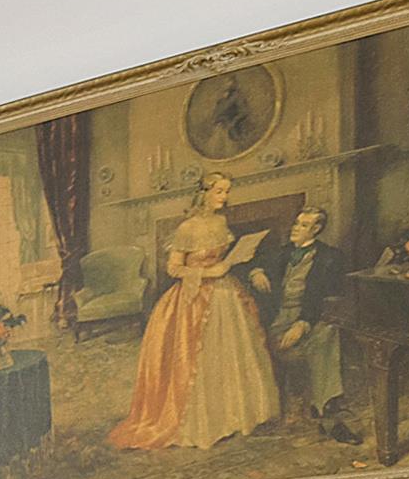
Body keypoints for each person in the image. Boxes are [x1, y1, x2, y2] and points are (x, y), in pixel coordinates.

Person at [109, 172, 284, 451]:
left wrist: (233, 261)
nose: (224, 197)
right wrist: (208, 272)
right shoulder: (187, 228)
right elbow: (174, 268)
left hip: (225, 292)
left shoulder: (221, 222)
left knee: (231, 353)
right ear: (204, 193)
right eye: (219, 191)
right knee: (197, 359)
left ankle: (233, 416)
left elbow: (224, 259)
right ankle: (205, 423)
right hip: (193, 297)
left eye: (227, 191)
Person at [249, 202, 351, 431]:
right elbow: (253, 262)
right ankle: (316, 407)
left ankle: (326, 408)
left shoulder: (330, 257)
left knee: (327, 334)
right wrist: (256, 272)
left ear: (316, 229)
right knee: (315, 343)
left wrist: (303, 324)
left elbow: (324, 299)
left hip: (309, 314)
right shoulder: (281, 252)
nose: (295, 228)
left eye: (303, 225)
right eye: (296, 223)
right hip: (279, 317)